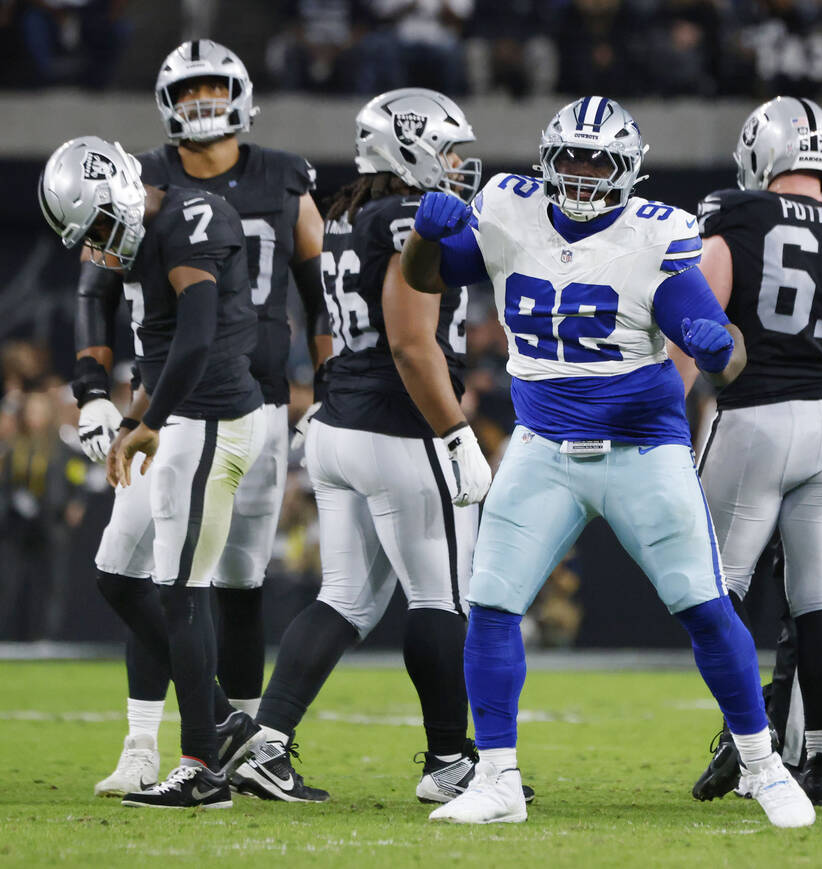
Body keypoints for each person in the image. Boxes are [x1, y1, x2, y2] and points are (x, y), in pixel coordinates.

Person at [401, 95, 814, 828]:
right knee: (491, 601)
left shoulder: (659, 234)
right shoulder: (507, 206)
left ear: (630, 171)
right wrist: (422, 242)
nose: (584, 174)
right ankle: (496, 777)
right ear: (546, 160)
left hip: (641, 449)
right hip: (542, 446)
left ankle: (763, 763)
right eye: (572, 159)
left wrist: (718, 345)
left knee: (704, 605)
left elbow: (720, 339)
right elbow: (431, 278)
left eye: (601, 161)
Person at [73, 39, 330, 797]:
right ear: (165, 103)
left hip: (255, 401)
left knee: (238, 582)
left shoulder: (285, 176)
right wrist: (94, 387)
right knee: (144, 570)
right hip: (169, 401)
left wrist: (330, 386)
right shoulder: (141, 179)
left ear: (243, 92)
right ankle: (150, 744)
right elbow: (93, 286)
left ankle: (247, 751)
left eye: (213, 87)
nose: (201, 102)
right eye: (187, 91)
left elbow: (318, 292)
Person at [230, 88, 500, 805]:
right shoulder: (412, 218)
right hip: (400, 427)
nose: (456, 164)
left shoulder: (346, 214)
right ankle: (449, 762)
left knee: (345, 597)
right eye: (446, 149)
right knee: (441, 597)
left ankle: (268, 743)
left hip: (338, 423)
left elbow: (334, 320)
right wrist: (456, 433)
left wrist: (326, 393)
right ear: (408, 147)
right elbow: (413, 345)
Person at [674, 97, 822, 808]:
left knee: (717, 589)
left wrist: (665, 411)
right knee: (821, 600)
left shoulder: (737, 215)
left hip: (753, 418)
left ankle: (744, 742)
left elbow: (698, 328)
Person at [39, 135, 267, 808]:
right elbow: (161, 344)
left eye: (106, 227)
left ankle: (201, 766)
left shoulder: (195, 219)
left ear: (126, 186)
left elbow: (196, 338)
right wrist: (133, 410)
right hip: (172, 413)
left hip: (211, 418)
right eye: (92, 239)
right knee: (116, 575)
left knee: (181, 588)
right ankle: (220, 718)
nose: (107, 249)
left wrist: (147, 422)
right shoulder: (131, 233)